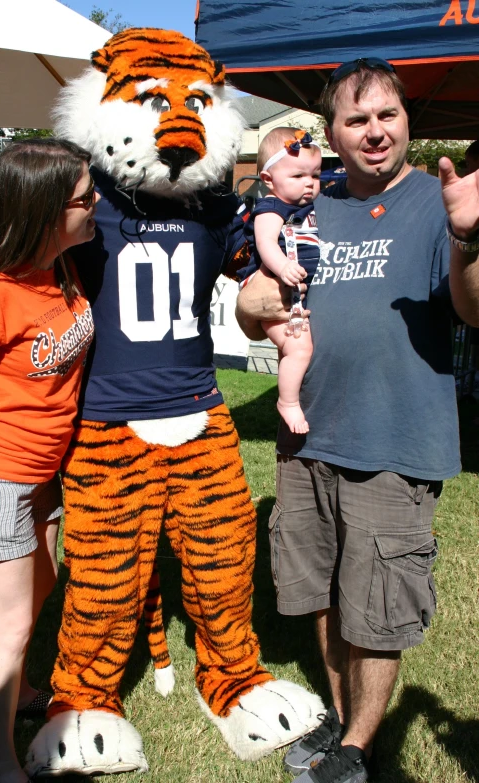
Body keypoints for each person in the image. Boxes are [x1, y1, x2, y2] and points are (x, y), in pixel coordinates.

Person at [236, 58, 479, 783]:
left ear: (407, 120)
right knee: (319, 592)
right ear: (332, 135)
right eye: (357, 120)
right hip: (308, 436)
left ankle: (358, 748)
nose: (375, 132)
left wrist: (467, 238)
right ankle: (344, 724)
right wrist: (255, 305)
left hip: (393, 443)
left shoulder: (436, 204)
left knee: (374, 606)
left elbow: (472, 309)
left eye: (387, 116)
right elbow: (253, 302)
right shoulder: (313, 202)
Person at [0, 138, 97, 783]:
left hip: (44, 471)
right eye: (84, 198)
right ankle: (2, 764)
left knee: (39, 590)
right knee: (10, 624)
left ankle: (18, 695)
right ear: (44, 211)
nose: (96, 204)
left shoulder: (59, 267)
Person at [238, 127, 322, 433]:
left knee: (303, 348)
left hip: (296, 296)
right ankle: (287, 402)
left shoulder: (310, 208)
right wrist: (283, 266)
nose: (310, 184)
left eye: (315, 175)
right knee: (298, 350)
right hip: (272, 291)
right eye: (298, 176)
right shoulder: (272, 208)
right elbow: (266, 244)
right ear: (269, 180)